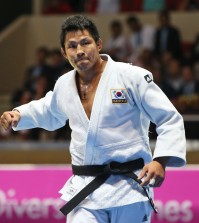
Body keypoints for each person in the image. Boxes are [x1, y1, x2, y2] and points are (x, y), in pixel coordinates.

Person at [0, 15, 186, 223]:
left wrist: (160, 161)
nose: (79, 50)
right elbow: (49, 110)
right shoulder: (64, 84)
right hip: (86, 189)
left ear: (98, 44)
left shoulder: (131, 76)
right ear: (64, 52)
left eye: (85, 42)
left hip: (130, 188)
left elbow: (169, 118)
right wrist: (20, 115)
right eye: (71, 46)